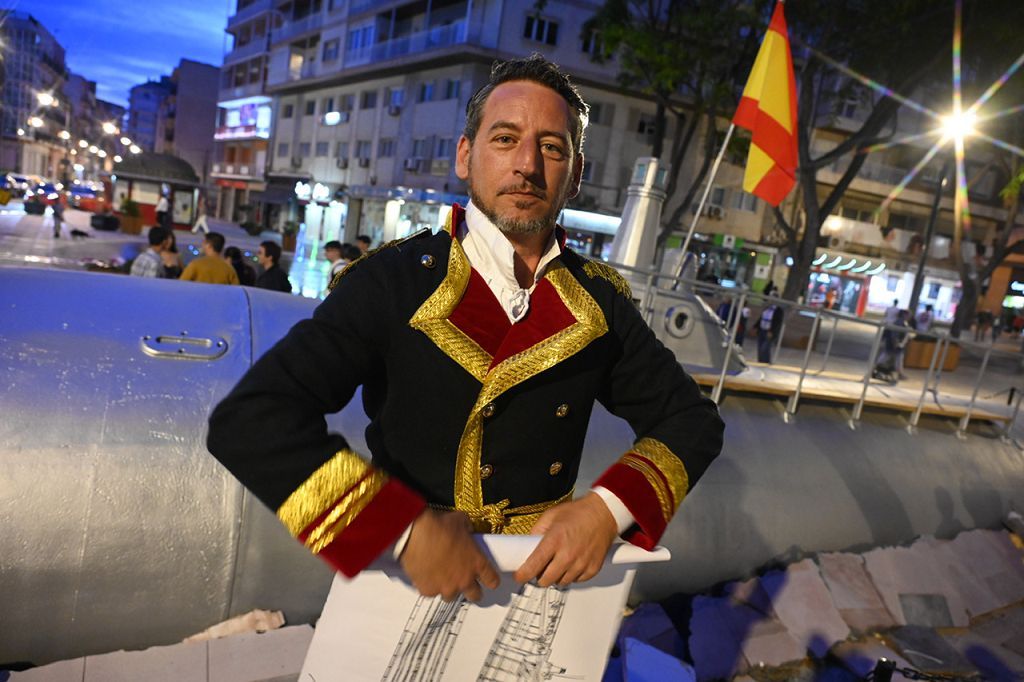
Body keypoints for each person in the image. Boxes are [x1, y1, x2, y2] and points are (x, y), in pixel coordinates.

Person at [206, 55, 724, 603]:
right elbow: (250, 423)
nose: (527, 165)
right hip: (407, 584)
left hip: (540, 587)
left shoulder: (598, 302)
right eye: (505, 139)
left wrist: (605, 511)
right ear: (465, 155)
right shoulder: (391, 281)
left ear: (576, 176)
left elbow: (691, 421)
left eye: (552, 147)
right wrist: (399, 531)